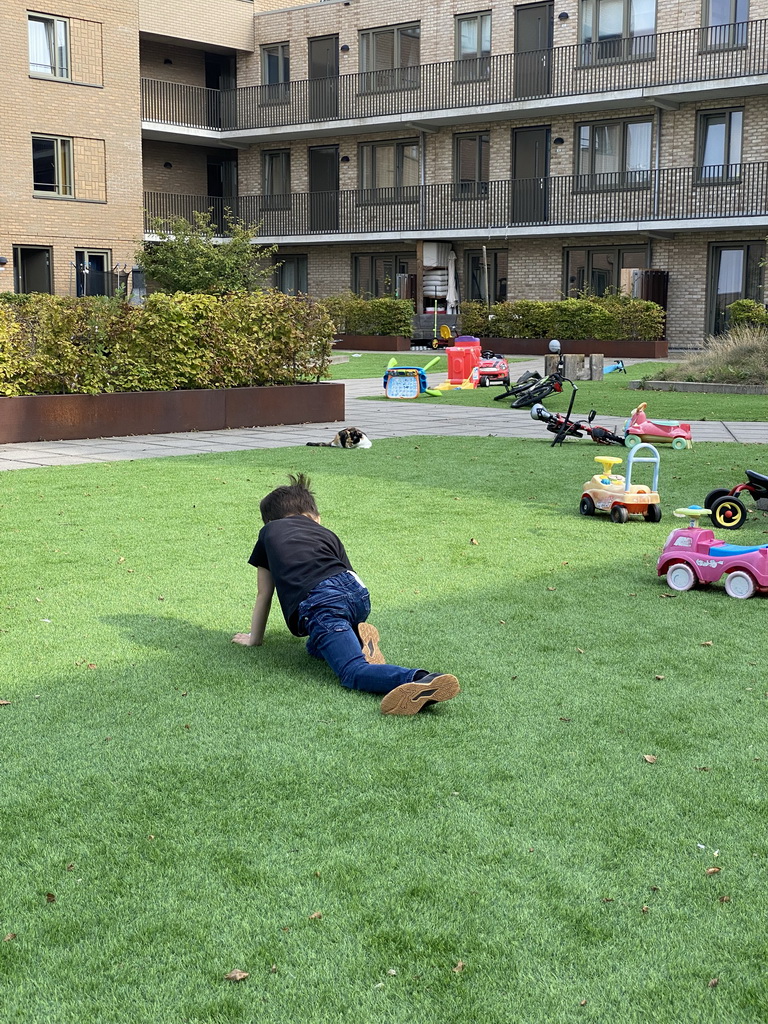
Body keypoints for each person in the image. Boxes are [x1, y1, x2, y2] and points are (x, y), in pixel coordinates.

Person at [232, 473, 460, 716]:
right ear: (314, 517)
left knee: (352, 671)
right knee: (316, 645)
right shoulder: (327, 533)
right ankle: (359, 639)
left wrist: (254, 638)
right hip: (358, 596)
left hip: (322, 603)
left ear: (269, 522)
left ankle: (420, 679)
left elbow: (264, 594)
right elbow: (346, 574)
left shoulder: (269, 533)